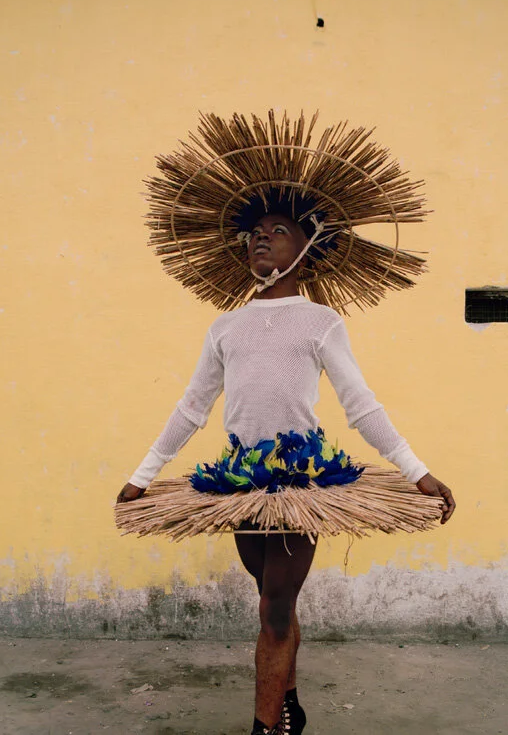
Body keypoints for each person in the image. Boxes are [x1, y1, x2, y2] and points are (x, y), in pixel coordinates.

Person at [116, 208, 456, 735]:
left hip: (302, 485)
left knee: (275, 608)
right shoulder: (225, 327)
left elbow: (360, 405)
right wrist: (143, 475)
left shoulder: (321, 322)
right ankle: (289, 704)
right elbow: (192, 407)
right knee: (272, 599)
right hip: (241, 484)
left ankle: (264, 728)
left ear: (305, 247)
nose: (262, 239)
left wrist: (417, 471)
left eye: (278, 232)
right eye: (255, 233)